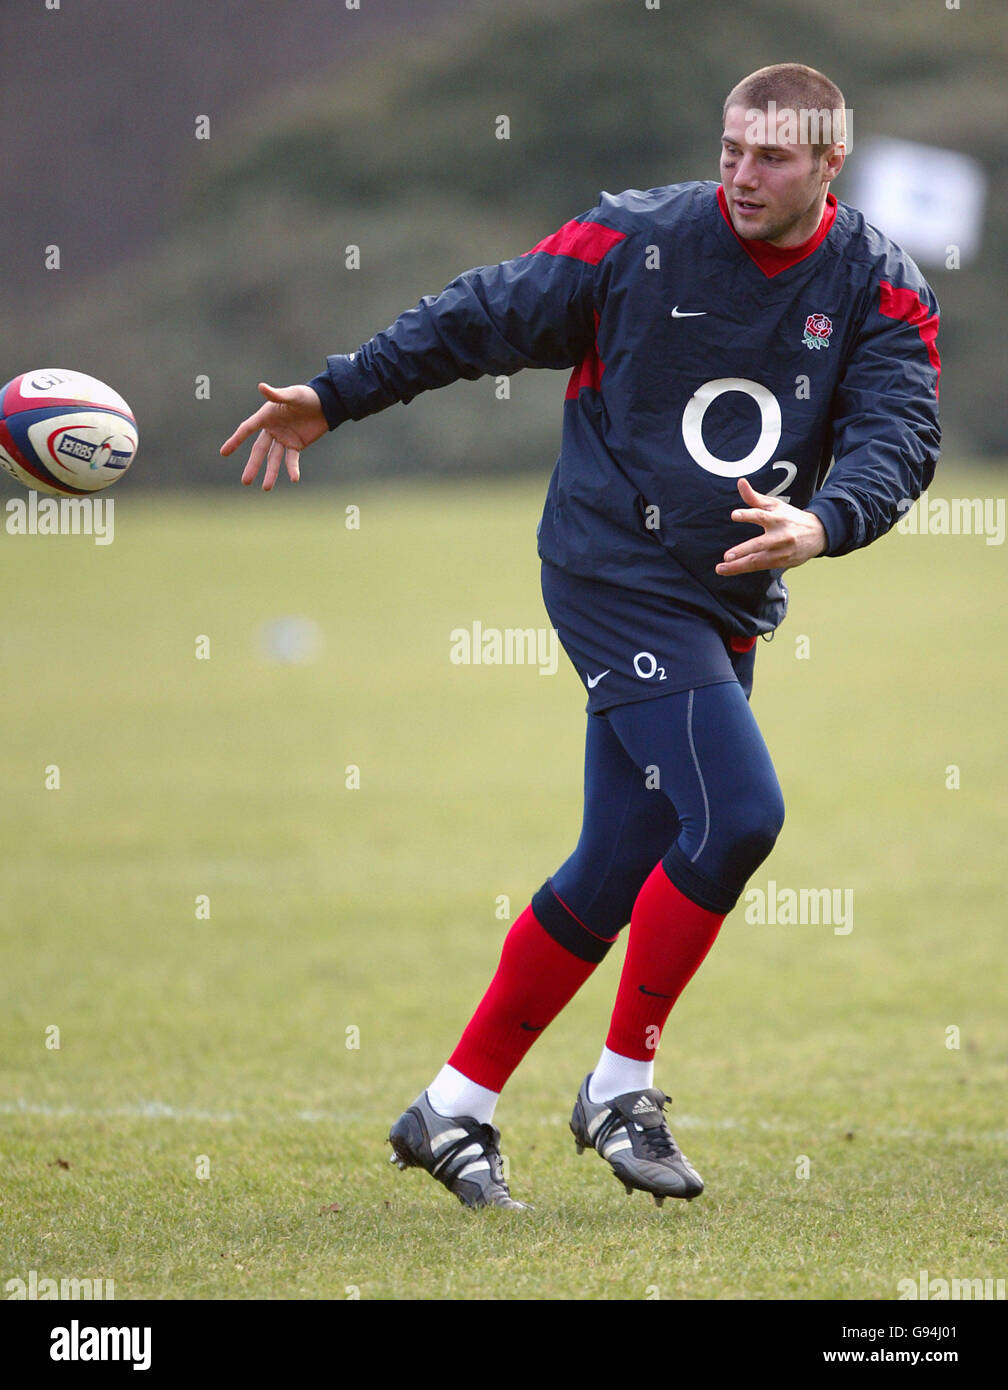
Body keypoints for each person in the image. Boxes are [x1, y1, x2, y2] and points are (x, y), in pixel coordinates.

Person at [220, 63, 940, 1211]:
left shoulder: (878, 283)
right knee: (741, 815)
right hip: (611, 568)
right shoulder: (638, 240)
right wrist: (335, 393)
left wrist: (826, 518)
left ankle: (451, 1106)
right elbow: (477, 315)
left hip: (723, 594)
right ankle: (621, 1086)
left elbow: (900, 429)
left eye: (771, 157)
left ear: (828, 165)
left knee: (620, 858)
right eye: (730, 149)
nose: (741, 174)